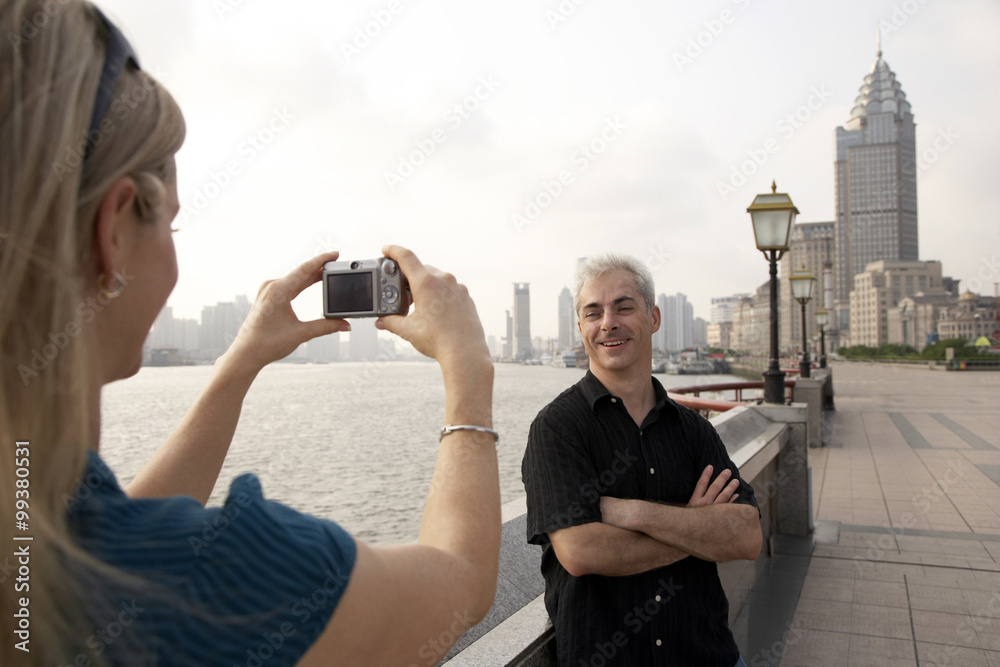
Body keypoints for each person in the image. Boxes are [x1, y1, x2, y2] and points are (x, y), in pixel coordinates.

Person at [0, 1, 500, 664]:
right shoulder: (228, 581)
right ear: (113, 232)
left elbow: (107, 535)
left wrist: (239, 364)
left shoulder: (36, 509)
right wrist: (468, 372)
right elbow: (460, 581)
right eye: (170, 226)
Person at [521, 253, 762, 666]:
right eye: (593, 312)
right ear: (580, 328)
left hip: (708, 655)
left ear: (653, 317)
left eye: (623, 306)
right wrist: (696, 527)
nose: (608, 322)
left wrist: (632, 513)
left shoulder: (693, 430)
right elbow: (581, 552)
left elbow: (747, 536)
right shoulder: (557, 428)